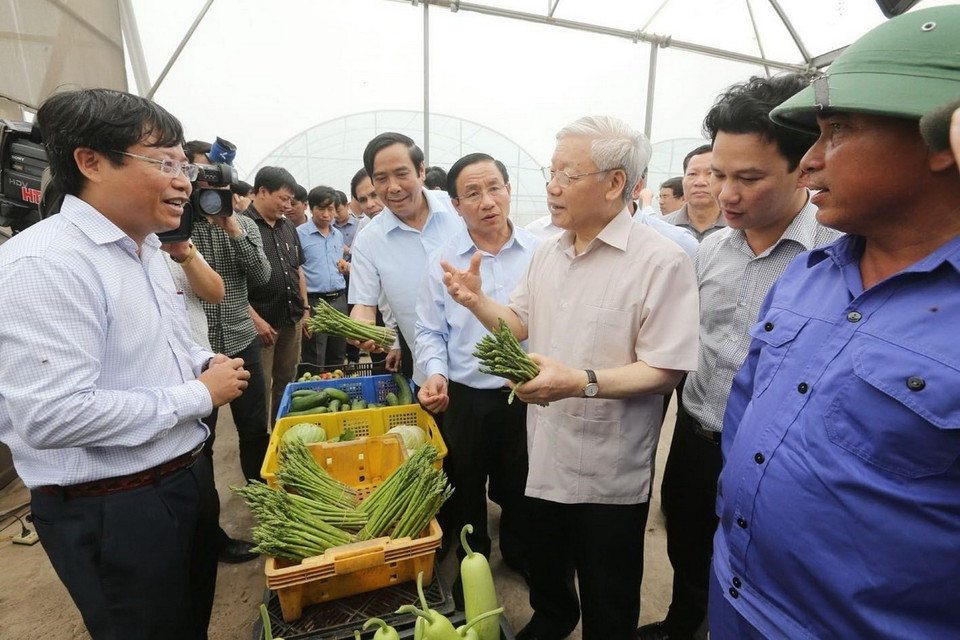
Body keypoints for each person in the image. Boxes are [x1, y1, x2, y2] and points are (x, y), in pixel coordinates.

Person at [710, 8, 960, 638]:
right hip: (736, 599)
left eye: (838, 130)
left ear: (942, 140)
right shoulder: (807, 276)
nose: (810, 161)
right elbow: (743, 418)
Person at [0, 88, 250, 639]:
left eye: (184, 164)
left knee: (187, 625)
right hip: (114, 509)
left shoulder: (146, 250)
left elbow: (166, 344)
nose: (185, 180)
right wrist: (199, 395)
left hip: (183, 479)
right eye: (164, 162)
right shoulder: (43, 266)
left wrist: (202, 359)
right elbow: (51, 416)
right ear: (89, 161)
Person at [444, 116, 699, 640]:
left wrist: (580, 381)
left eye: (568, 173)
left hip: (610, 464)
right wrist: (476, 302)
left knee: (609, 587)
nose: (552, 187)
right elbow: (517, 324)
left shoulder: (661, 261)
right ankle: (554, 617)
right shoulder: (549, 252)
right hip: (546, 448)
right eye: (550, 171)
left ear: (613, 183)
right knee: (549, 565)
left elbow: (664, 367)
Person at [637, 74, 841, 640]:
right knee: (686, 542)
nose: (726, 193)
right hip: (697, 433)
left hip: (774, 451)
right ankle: (683, 623)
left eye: (748, 178)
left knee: (754, 565)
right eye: (718, 174)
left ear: (805, 167)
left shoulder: (835, 255)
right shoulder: (711, 249)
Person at [416, 153, 539, 596]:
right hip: (466, 396)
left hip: (524, 393)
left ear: (508, 190)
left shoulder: (540, 252)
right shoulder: (443, 261)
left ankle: (522, 554)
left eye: (494, 188)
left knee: (522, 482)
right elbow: (429, 328)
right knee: (465, 483)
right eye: (473, 193)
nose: (487, 201)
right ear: (456, 203)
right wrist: (436, 374)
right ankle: (475, 563)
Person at [185, 139, 272, 562]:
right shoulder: (174, 226)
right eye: (194, 175)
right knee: (198, 444)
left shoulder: (243, 224)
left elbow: (262, 278)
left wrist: (233, 228)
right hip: (190, 356)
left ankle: (268, 509)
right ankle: (209, 535)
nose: (202, 185)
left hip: (241, 342)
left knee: (255, 430)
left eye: (209, 177)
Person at [348, 132, 462, 383]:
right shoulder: (369, 240)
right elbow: (364, 305)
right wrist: (360, 329)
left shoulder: (459, 209)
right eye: (381, 179)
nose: (393, 187)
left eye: (401, 174)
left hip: (484, 368)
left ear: (421, 171)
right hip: (428, 372)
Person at [244, 165, 308, 418]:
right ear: (262, 191)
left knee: (286, 380)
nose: (288, 206)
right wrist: (255, 320)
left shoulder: (287, 227)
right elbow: (230, 283)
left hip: (291, 318)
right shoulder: (241, 226)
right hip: (262, 325)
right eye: (283, 199)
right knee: (259, 387)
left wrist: (305, 308)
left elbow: (298, 269)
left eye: (291, 200)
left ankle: (280, 428)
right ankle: (261, 437)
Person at [299, 185, 348, 367]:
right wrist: (305, 309)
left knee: (338, 353)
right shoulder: (300, 234)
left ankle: (337, 390)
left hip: (339, 300)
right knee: (314, 355)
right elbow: (297, 272)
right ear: (311, 209)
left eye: (331, 209)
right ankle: (315, 392)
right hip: (315, 302)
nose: (326, 214)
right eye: (321, 208)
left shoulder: (337, 235)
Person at [662, 145, 726, 242]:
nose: (700, 182)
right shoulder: (662, 228)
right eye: (692, 174)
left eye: (710, 173)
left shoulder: (740, 229)